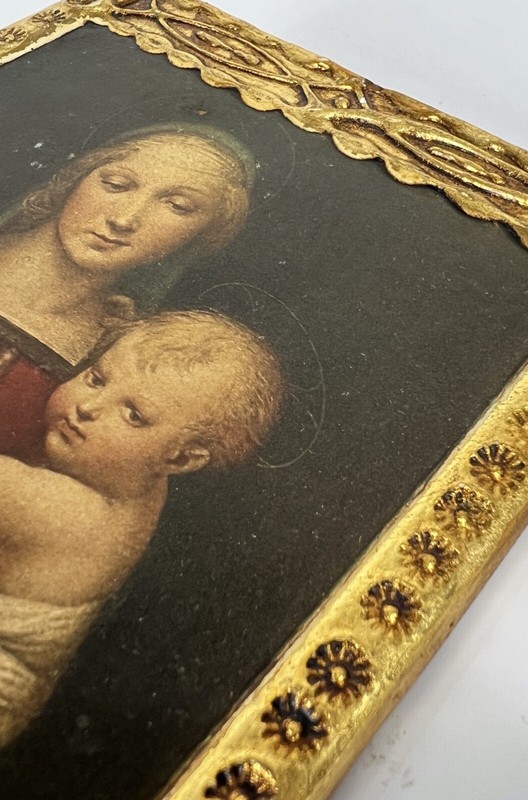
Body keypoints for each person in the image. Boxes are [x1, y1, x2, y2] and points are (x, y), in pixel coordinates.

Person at [0, 310, 283, 748]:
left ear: (182, 459)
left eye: (133, 415)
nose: (87, 407)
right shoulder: (141, 480)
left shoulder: (71, 513)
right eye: (96, 378)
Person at [0, 125, 255, 463]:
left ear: (204, 235)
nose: (124, 219)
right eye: (116, 185)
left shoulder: (116, 356)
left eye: (177, 206)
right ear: (75, 177)